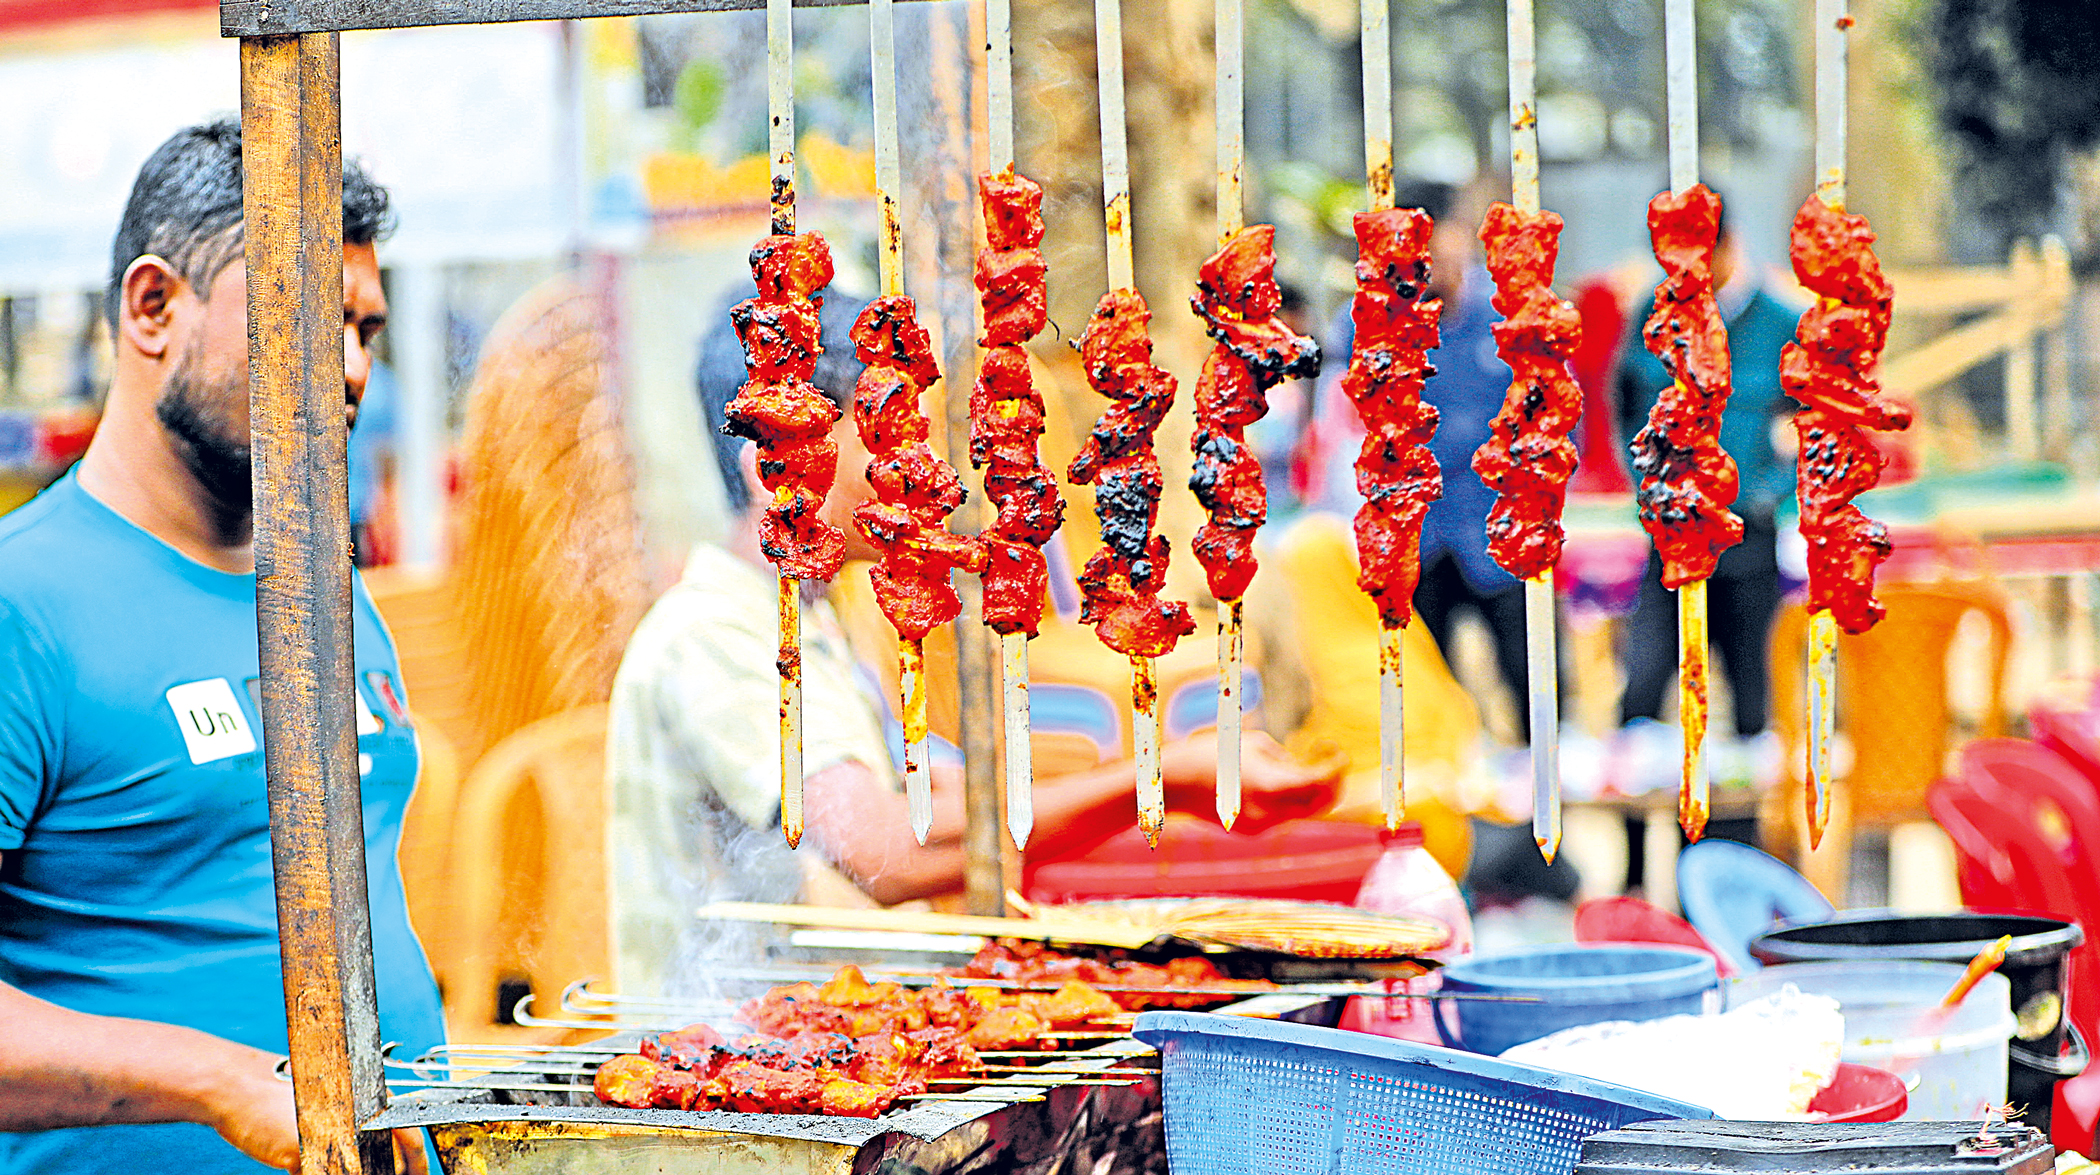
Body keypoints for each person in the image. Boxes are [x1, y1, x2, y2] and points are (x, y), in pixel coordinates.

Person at [605, 282, 1344, 995]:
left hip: (847, 1023)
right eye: (881, 440)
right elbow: (888, 851)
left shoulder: (820, 617)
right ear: (776, 471)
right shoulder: (710, 635)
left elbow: (934, 796)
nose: (916, 467)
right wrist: (1158, 779)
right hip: (736, 1049)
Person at [0, 120, 442, 1172]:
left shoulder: (325, 588)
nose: (350, 368)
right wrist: (225, 1083)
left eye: (366, 330)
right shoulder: (25, 604)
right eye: (308, 316)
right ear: (154, 308)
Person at [1308, 179, 1553, 740]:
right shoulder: (1366, 325)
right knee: (1417, 688)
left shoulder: (1510, 315)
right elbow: (1340, 429)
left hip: (1501, 530)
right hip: (1415, 538)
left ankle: (1539, 778)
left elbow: (1556, 416)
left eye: (1437, 249)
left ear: (1462, 237)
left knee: (1534, 678)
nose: (1428, 268)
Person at [1614, 199, 1796, 762]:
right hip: (1672, 532)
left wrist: (1770, 490)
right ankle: (1645, 816)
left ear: (1726, 245)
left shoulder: (1780, 323)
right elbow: (1625, 409)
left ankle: (1744, 813)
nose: (1683, 272)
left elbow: (1816, 424)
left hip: (1749, 534)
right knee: (1643, 686)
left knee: (1752, 694)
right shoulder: (1651, 318)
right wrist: (1650, 489)